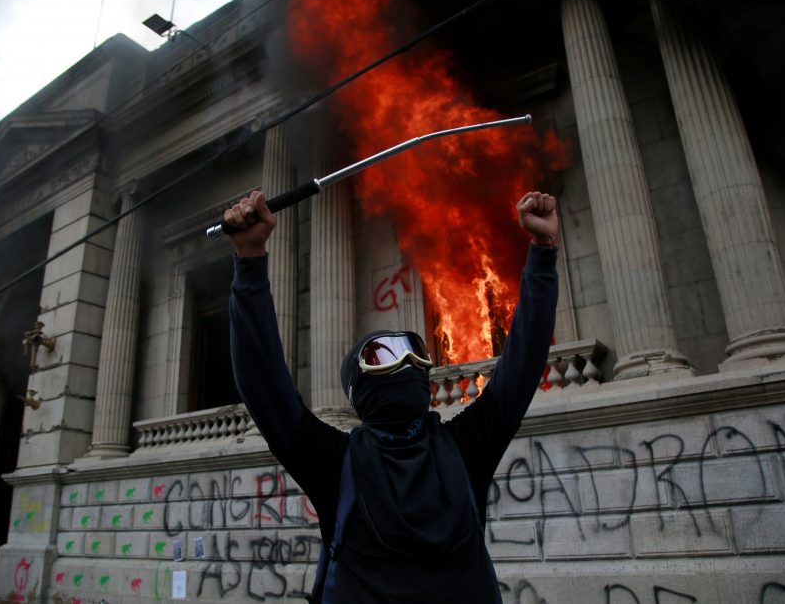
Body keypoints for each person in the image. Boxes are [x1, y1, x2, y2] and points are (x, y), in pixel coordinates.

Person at [226, 189, 559, 603]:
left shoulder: (466, 447)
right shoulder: (334, 463)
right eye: (382, 354)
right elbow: (263, 384)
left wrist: (543, 251)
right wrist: (249, 260)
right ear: (358, 388)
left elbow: (523, 362)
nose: (405, 363)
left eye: (415, 351)